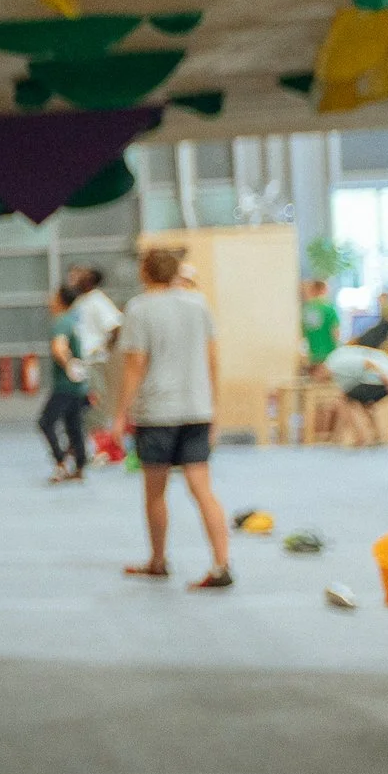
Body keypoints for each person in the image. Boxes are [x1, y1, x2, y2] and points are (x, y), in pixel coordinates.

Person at [116, 246, 232, 588]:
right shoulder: (198, 304)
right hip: (197, 408)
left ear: (145, 272)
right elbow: (212, 358)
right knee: (202, 489)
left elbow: (136, 364)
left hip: (156, 413)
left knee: (155, 491)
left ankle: (158, 560)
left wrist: (121, 413)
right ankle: (221, 564)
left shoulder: (139, 309)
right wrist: (213, 408)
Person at [40, 283, 91, 482]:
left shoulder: (61, 322)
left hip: (66, 385)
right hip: (78, 385)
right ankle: (80, 465)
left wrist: (68, 364)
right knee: (74, 424)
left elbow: (59, 348)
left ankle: (61, 461)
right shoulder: (73, 321)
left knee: (46, 422)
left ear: (60, 300)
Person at [66, 263, 124, 419]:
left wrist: (105, 348)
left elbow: (116, 327)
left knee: (95, 402)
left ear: (89, 279)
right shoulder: (79, 301)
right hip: (81, 361)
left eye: (79, 275)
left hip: (93, 361)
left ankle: (98, 431)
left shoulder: (97, 300)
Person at [320, 339, 388, 447]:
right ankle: (376, 436)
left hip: (385, 376)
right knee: (360, 400)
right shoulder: (336, 370)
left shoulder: (335, 364)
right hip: (381, 377)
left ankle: (360, 437)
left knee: (349, 399)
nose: (320, 381)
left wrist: (387, 380)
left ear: (318, 370)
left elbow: (368, 363)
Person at [299, 278, 339, 373]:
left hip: (313, 354)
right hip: (329, 353)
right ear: (323, 290)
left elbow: (302, 333)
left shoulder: (306, 310)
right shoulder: (329, 309)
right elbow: (335, 332)